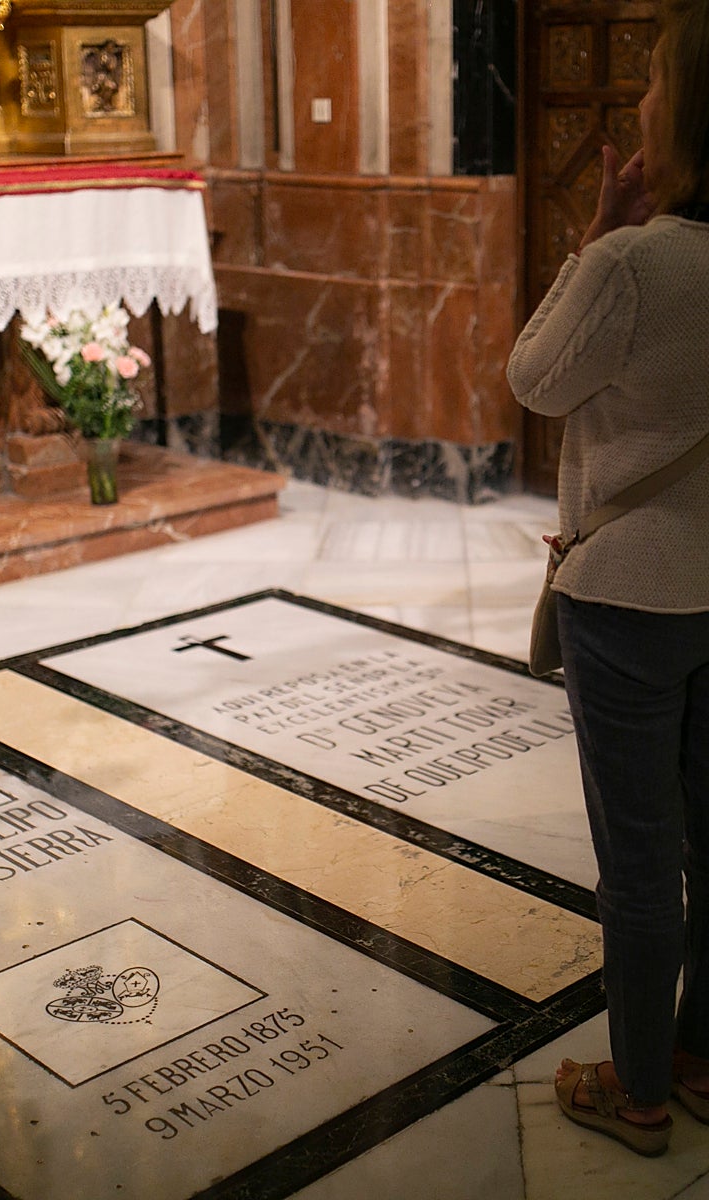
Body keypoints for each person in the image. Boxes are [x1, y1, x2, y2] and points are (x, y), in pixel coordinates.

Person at [507, 0, 709, 1158]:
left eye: (652, 85)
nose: (635, 102)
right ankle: (699, 1059)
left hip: (628, 596)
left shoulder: (635, 260)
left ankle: (636, 1092)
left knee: (640, 863)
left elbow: (536, 379)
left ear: (684, 112)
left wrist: (593, 233)